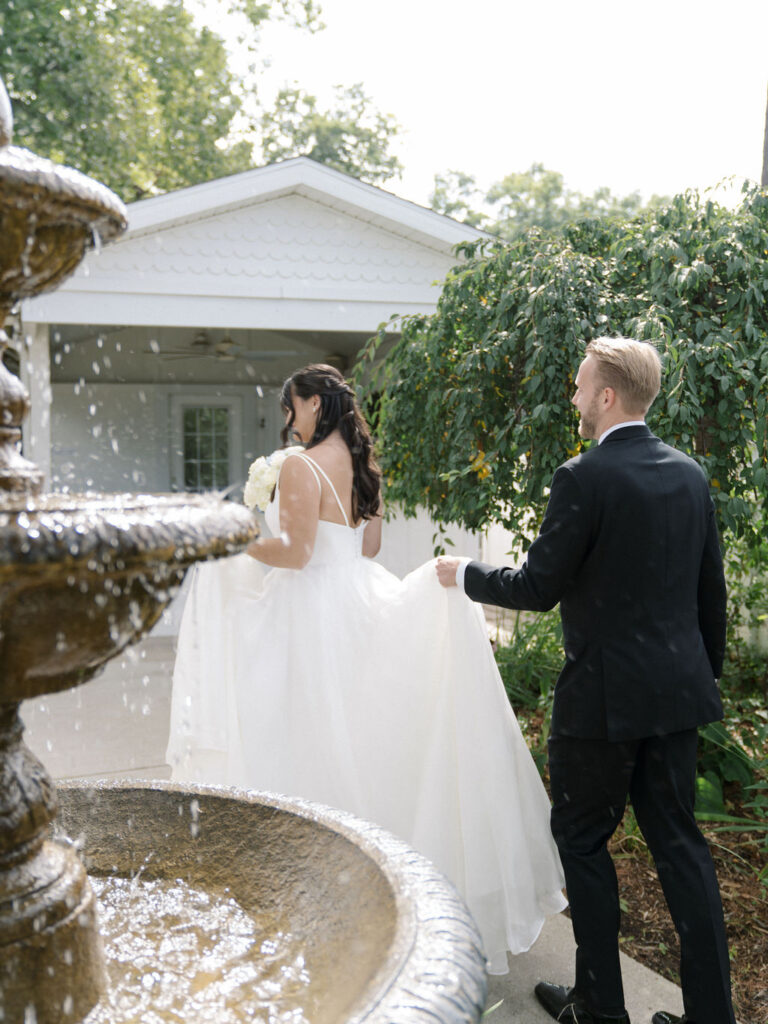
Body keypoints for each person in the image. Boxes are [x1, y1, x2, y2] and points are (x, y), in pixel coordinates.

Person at [166, 363, 567, 975]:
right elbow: (370, 548)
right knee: (359, 742)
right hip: (358, 597)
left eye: (292, 406)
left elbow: (297, 555)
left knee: (301, 741)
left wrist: (234, 541)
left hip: (306, 616)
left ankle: (315, 895)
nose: (288, 420)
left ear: (313, 404)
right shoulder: (361, 464)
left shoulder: (299, 466)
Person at [437, 337, 734, 1024]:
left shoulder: (584, 476)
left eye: (578, 386)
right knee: (682, 850)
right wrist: (694, 682)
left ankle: (599, 1009)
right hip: (676, 700)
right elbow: (709, 594)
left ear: (606, 396)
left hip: (600, 707)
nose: (572, 397)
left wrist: (466, 576)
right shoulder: (690, 474)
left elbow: (539, 587)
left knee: (581, 842)